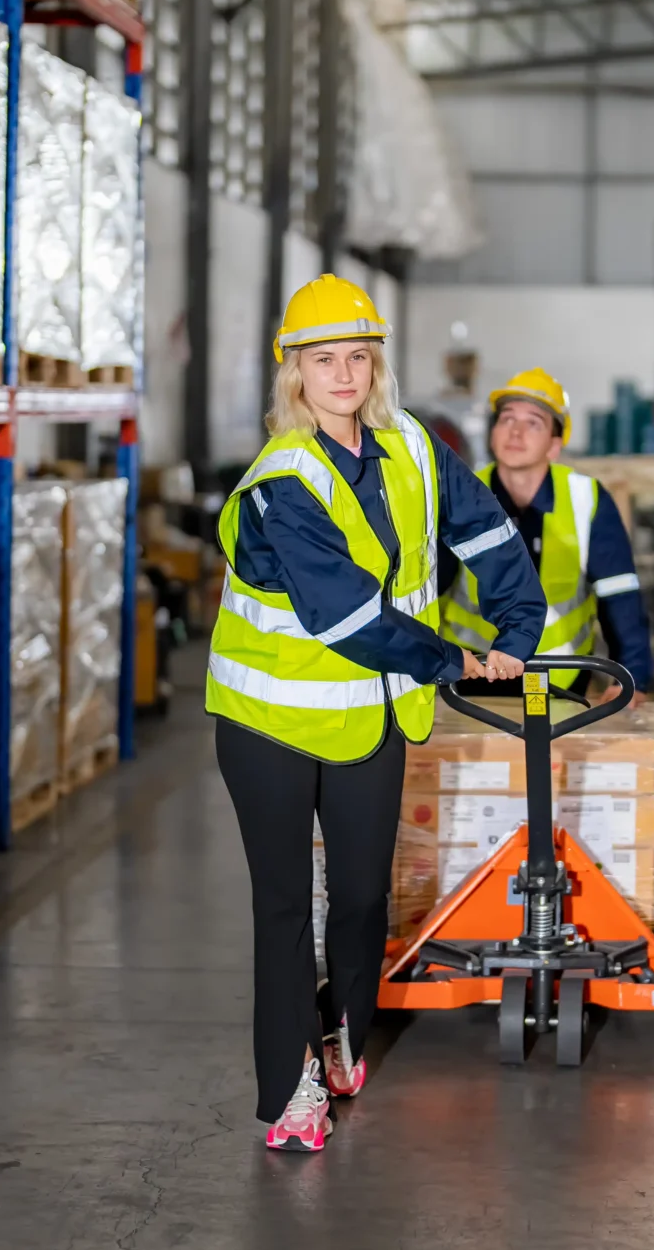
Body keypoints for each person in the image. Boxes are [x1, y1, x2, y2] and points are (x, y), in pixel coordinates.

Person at [209, 273, 546, 1153]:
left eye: (359, 357)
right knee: (284, 905)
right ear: (296, 373)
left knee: (360, 896)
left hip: (369, 713)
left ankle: (341, 1030)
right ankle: (289, 1094)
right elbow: (346, 615)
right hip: (267, 722)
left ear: (376, 366)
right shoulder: (283, 481)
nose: (345, 375)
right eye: (326, 361)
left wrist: (517, 625)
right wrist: (456, 660)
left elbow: (486, 533)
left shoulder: (413, 450)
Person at [441, 368, 654, 705]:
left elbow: (619, 596)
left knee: (551, 760)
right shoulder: (462, 494)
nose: (515, 431)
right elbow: (426, 588)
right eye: (507, 419)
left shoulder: (586, 498)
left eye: (533, 423)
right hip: (472, 674)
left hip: (560, 677)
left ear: (555, 445)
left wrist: (633, 677)